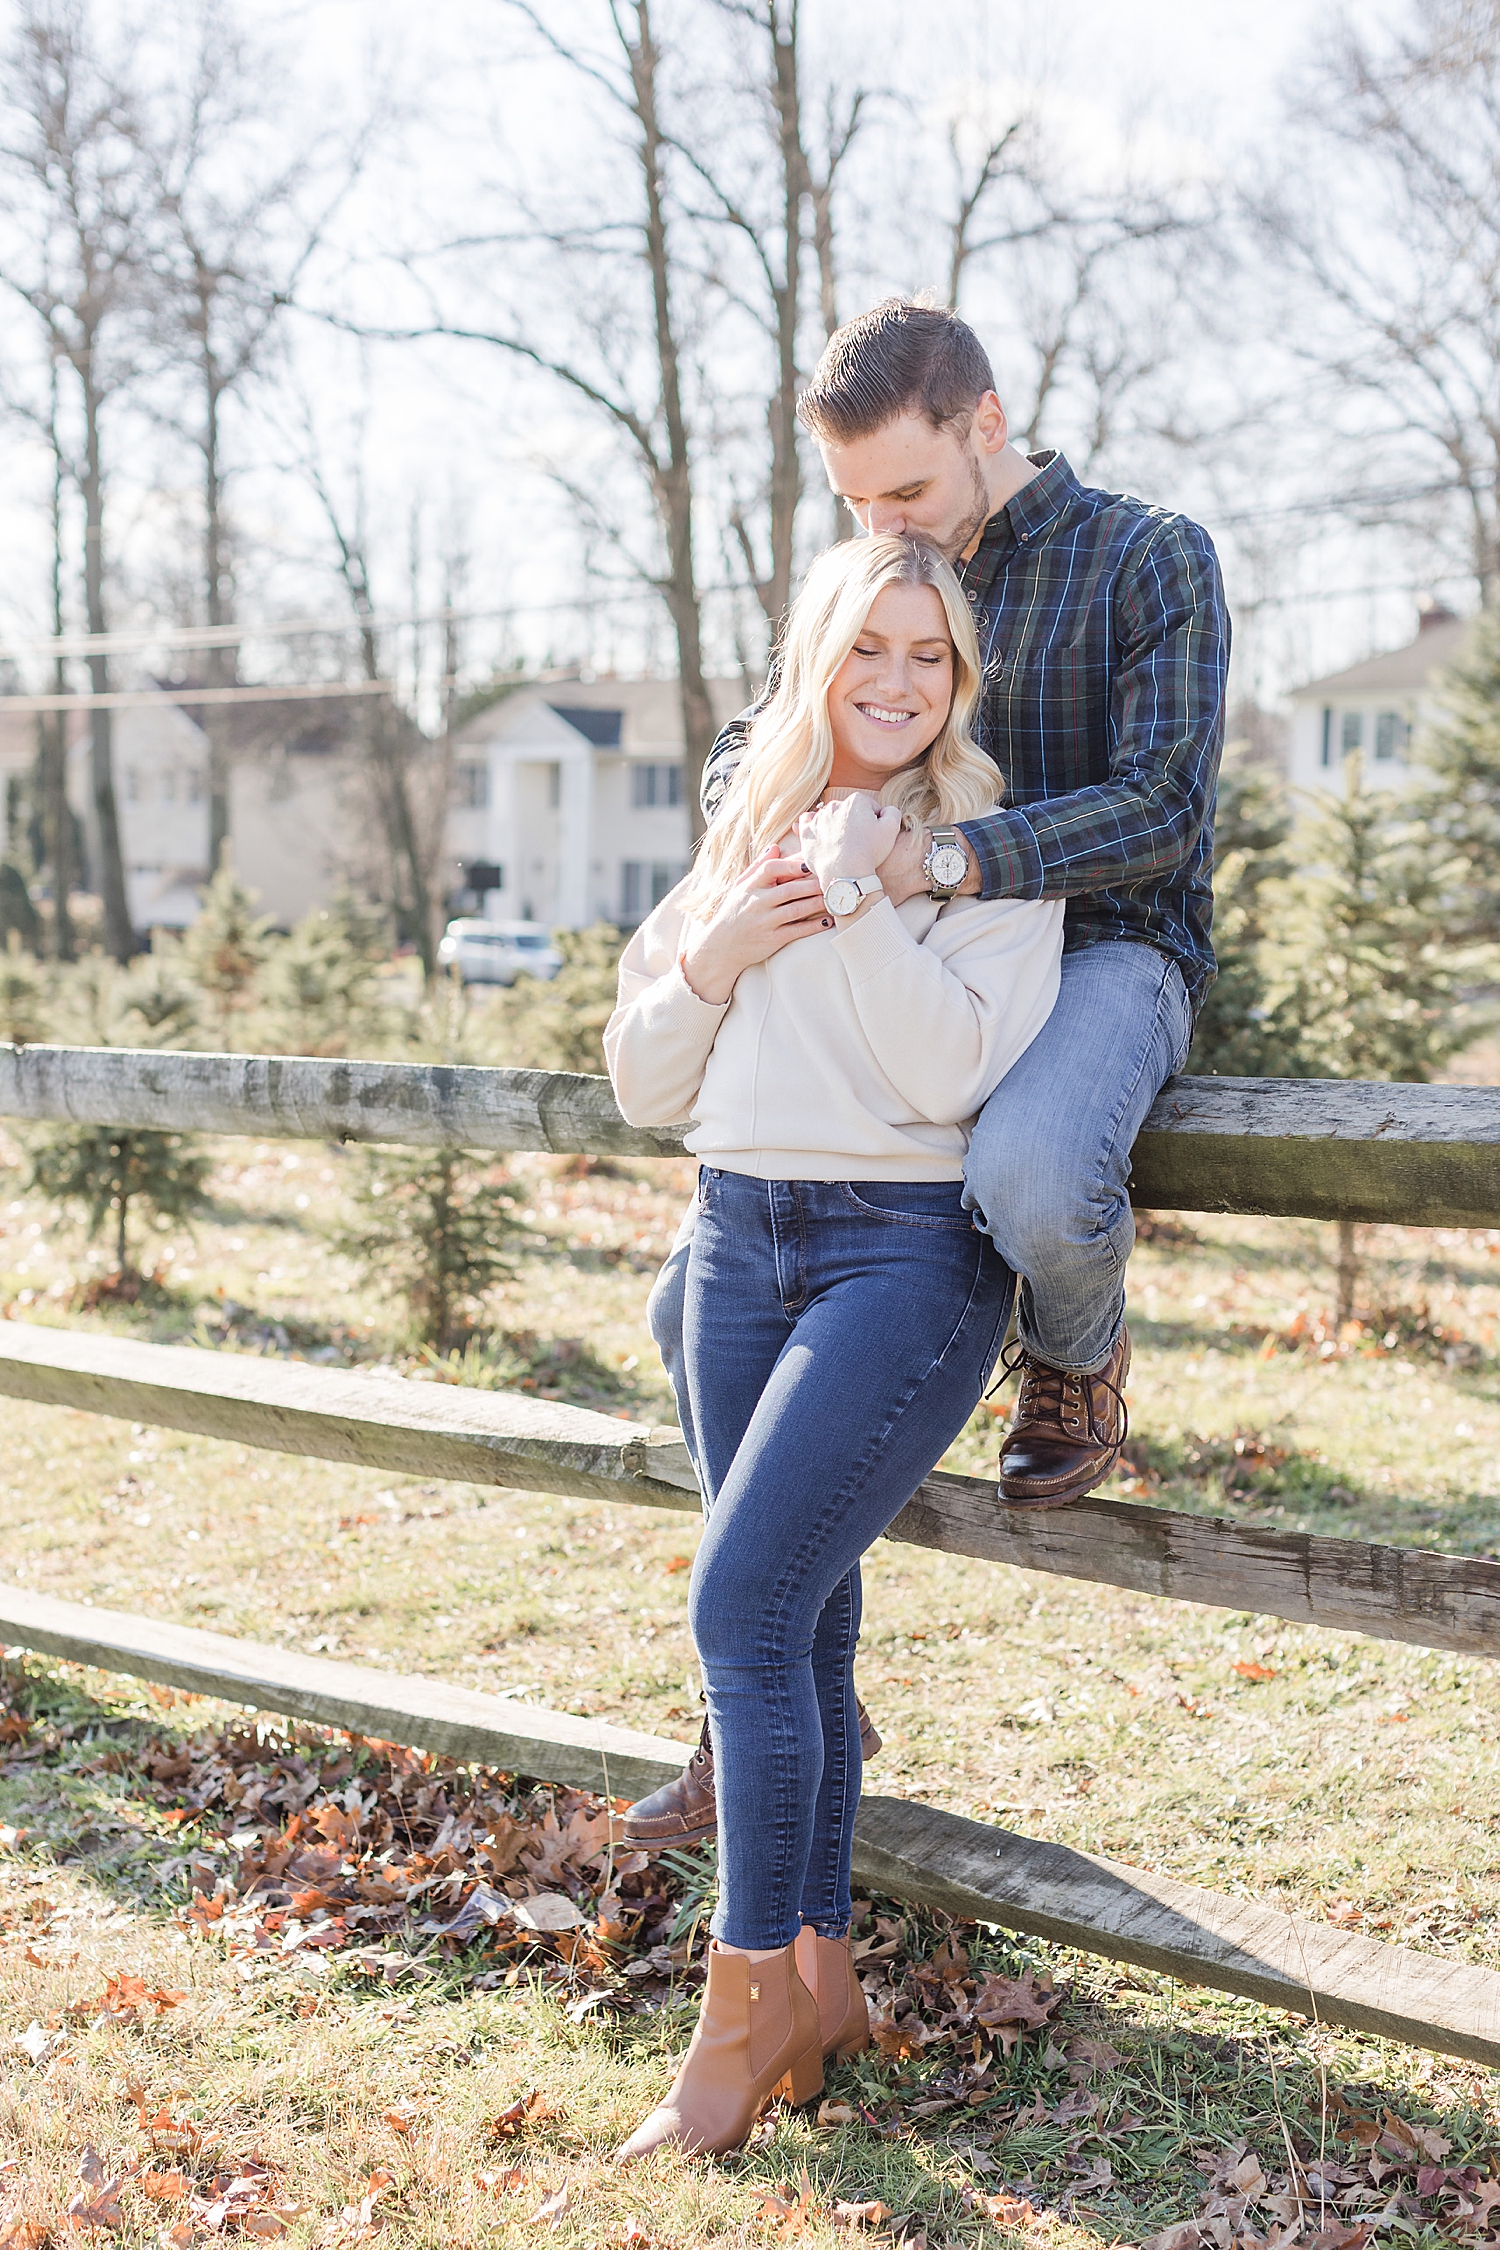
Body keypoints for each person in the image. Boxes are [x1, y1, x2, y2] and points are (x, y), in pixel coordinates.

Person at [621, 296, 1228, 1856]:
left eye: (901, 491)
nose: (885, 526)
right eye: (857, 509)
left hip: (1099, 942)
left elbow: (1161, 803)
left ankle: (1076, 1354)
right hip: (905, 937)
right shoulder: (897, 585)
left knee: (1023, 1170)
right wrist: (788, 846)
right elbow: (757, 750)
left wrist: (942, 856)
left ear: (983, 421)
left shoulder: (1147, 556)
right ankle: (773, 1680)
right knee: (694, 1294)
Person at [603, 533, 1062, 2158]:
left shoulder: (992, 853)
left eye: (927, 655)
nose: (894, 681)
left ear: (959, 679)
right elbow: (645, 1076)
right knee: (806, 1627)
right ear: (819, 652)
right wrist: (725, 945)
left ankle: (732, 2037)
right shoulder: (746, 823)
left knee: (739, 1603)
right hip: (736, 1237)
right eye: (868, 645)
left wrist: (864, 891)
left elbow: (949, 1079)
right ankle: (824, 1975)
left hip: (904, 1255)